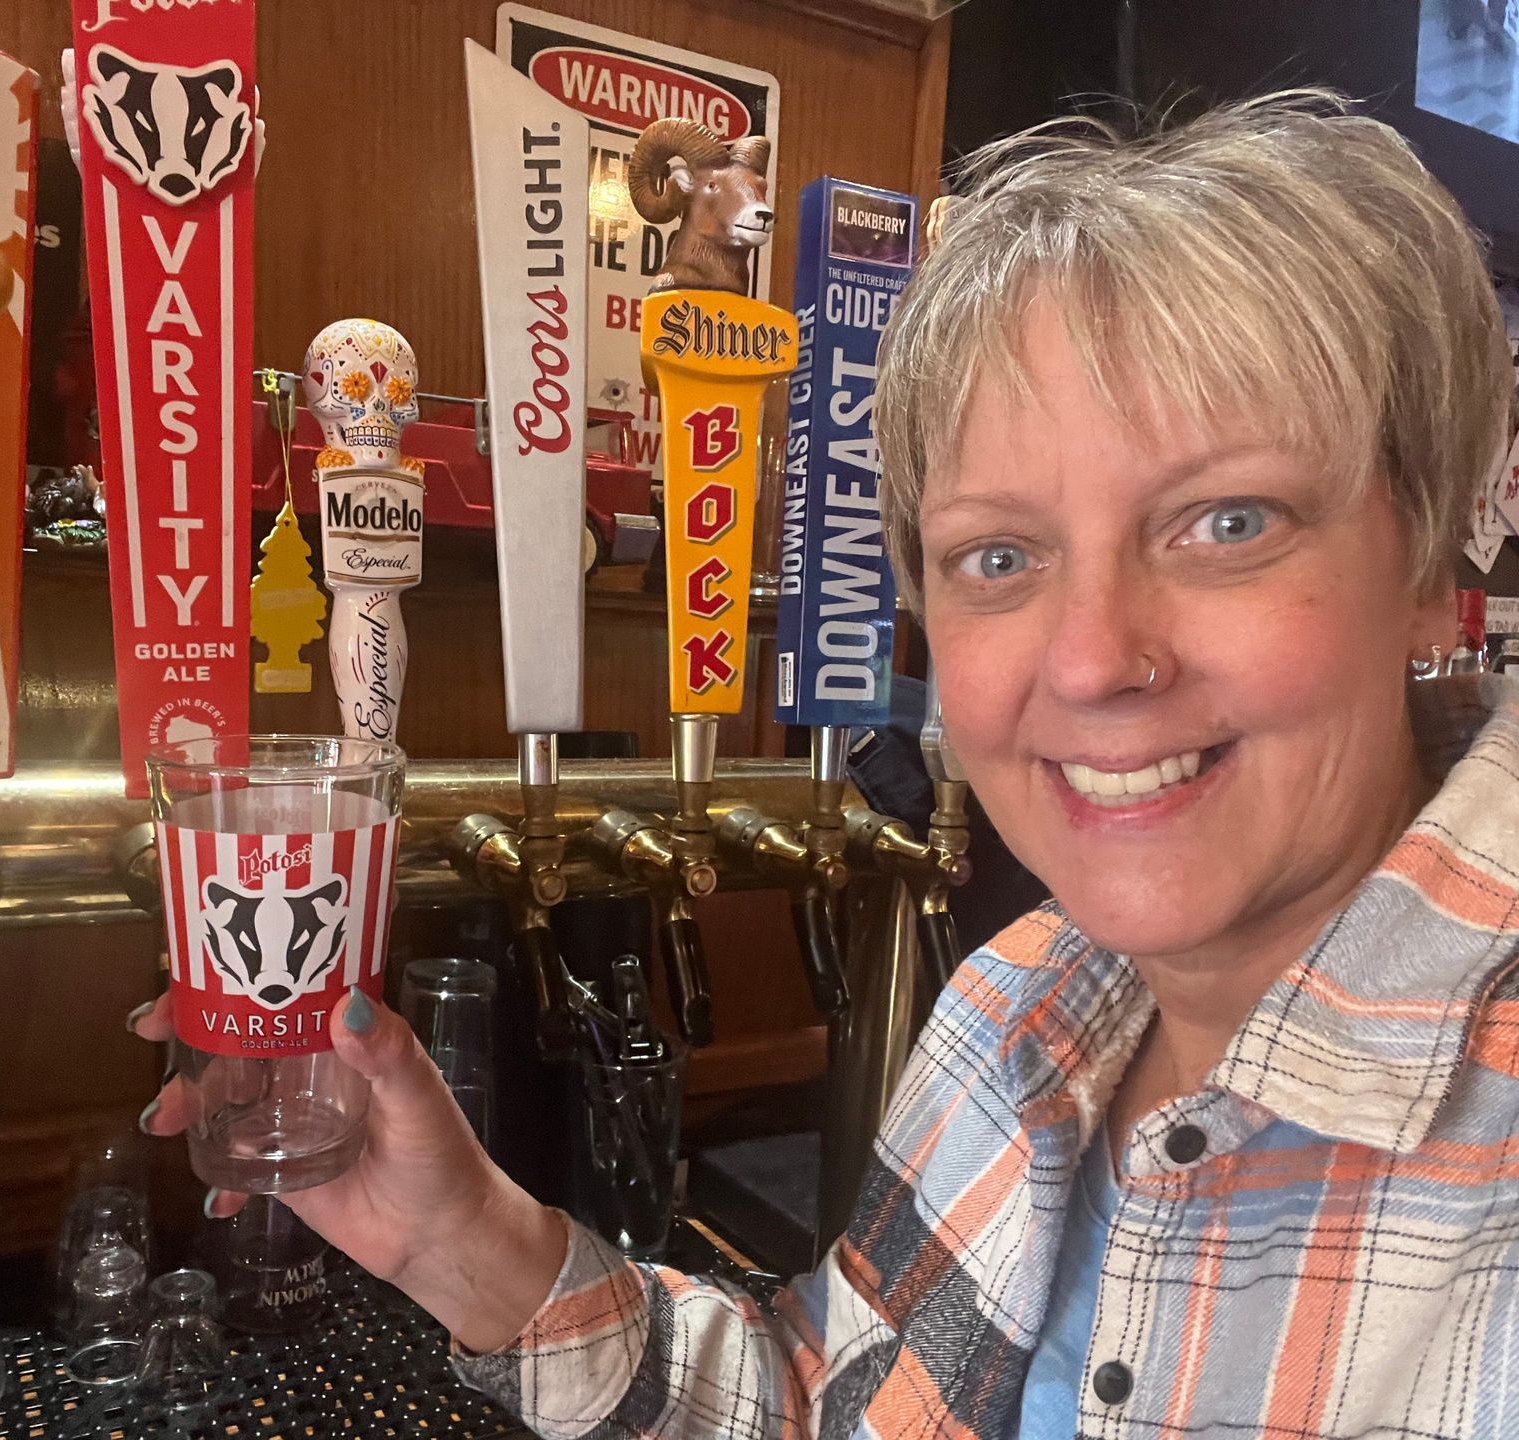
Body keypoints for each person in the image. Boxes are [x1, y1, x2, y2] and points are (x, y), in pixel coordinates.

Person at [132, 91, 1519, 1436]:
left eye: (1225, 523)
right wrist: (459, 1232)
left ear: (1427, 563)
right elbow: (824, 1410)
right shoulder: (1021, 1010)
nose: (1093, 658)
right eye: (1000, 556)